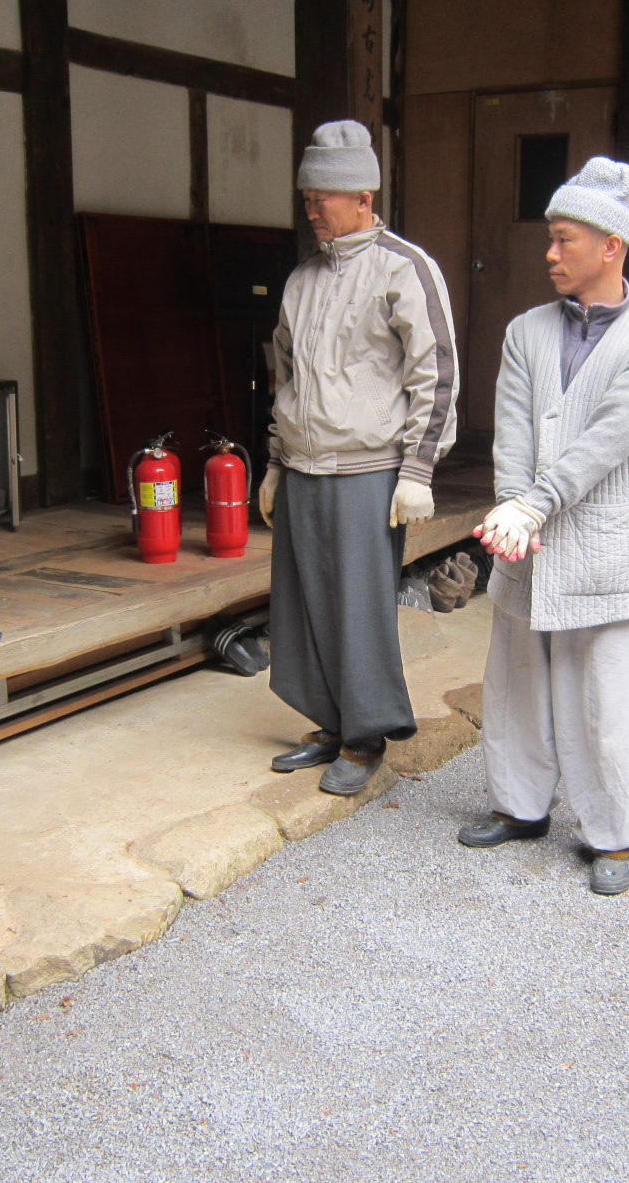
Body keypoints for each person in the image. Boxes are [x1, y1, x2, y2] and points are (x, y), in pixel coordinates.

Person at [459, 157, 629, 896]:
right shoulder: (525, 331)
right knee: (516, 685)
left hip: (608, 549)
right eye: (550, 239)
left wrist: (535, 505)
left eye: (565, 240)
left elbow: (605, 443)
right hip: (527, 541)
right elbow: (513, 432)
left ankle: (615, 834)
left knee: (610, 701)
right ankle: (519, 806)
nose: (550, 254)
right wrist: (511, 509)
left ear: (611, 246)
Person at [259, 119, 459, 797]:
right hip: (304, 465)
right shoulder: (302, 278)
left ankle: (365, 736)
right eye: (307, 198)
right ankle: (329, 722)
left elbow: (437, 373)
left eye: (322, 198)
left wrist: (417, 471)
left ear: (363, 197)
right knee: (303, 602)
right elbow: (285, 376)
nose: (312, 210)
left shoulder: (404, 267)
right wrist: (275, 462)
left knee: (358, 607)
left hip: (368, 470)